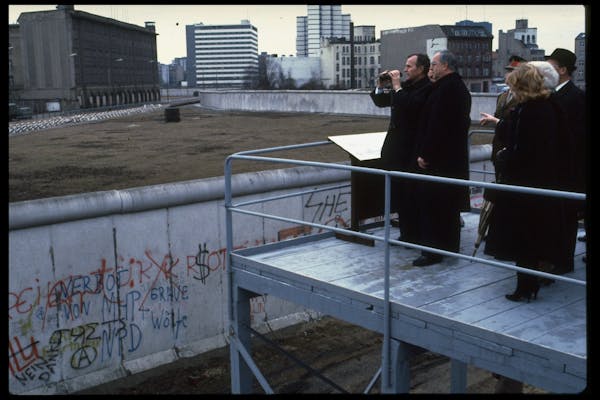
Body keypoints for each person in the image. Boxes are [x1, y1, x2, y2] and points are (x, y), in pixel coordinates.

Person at [484, 63, 572, 304]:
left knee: (525, 239)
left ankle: (525, 288)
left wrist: (503, 157)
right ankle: (528, 285)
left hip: (526, 187)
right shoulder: (550, 106)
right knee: (533, 239)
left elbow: (523, 150)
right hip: (543, 184)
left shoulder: (531, 110)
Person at [412, 50, 471, 266]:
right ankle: (447, 247)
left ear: (445, 65)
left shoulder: (446, 90)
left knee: (434, 206)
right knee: (448, 208)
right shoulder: (455, 87)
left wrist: (425, 154)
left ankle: (432, 252)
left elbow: (437, 126)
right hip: (451, 159)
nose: (431, 68)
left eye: (434, 64)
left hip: (439, 161)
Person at [370, 54, 432, 245]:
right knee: (400, 195)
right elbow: (381, 102)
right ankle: (407, 234)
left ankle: (415, 235)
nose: (405, 70)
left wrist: (396, 86)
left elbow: (410, 105)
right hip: (397, 151)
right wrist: (381, 85)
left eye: (409, 66)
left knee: (411, 195)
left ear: (421, 69)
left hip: (411, 150)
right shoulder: (406, 88)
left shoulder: (427, 89)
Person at [546, 48, 587, 273]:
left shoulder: (575, 97)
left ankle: (563, 263)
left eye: (551, 67)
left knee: (566, 218)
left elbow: (576, 138)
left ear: (562, 70)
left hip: (567, 171)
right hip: (556, 169)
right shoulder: (556, 95)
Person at [480, 55, 526, 180]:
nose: (508, 75)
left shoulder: (525, 98)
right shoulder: (502, 96)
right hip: (498, 148)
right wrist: (492, 121)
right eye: (508, 71)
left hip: (513, 150)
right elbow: (498, 117)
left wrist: (496, 121)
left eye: (512, 72)